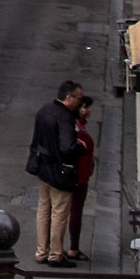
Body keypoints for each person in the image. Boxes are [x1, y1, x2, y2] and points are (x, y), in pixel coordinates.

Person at [25, 80, 84, 266]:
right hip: (60, 170)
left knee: (43, 209)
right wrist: (80, 147)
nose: (80, 103)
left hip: (43, 166)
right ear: (69, 97)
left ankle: (42, 251)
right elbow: (67, 147)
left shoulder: (44, 110)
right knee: (59, 212)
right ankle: (55, 254)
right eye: (78, 98)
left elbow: (36, 140)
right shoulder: (64, 117)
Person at [63, 95, 96, 262]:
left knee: (71, 212)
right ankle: (73, 248)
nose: (88, 111)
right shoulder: (76, 129)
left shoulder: (77, 126)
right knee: (74, 213)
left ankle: (60, 247)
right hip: (78, 177)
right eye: (84, 107)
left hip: (79, 175)